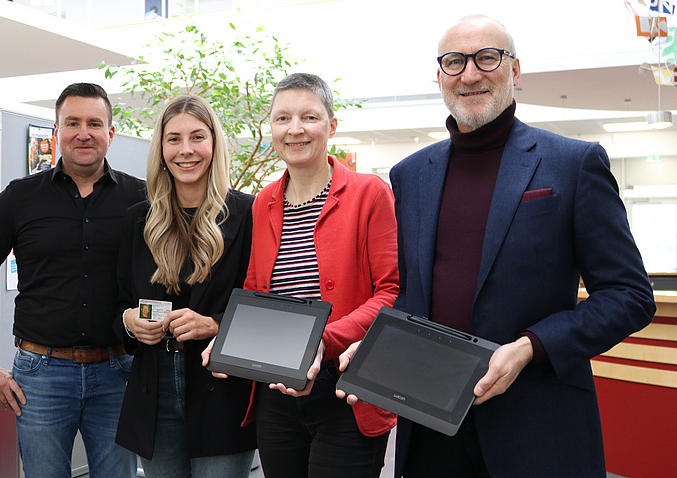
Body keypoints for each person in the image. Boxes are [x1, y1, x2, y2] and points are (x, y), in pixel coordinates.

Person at [337, 15, 656, 478]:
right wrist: (375, 344)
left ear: (515, 69)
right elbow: (414, 294)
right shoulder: (411, 174)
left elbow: (630, 296)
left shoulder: (573, 163)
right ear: (440, 75)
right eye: (455, 62)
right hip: (431, 429)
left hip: (538, 424)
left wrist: (530, 346)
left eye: (487, 57)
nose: (470, 74)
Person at [204, 73, 400, 478]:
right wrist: (230, 338)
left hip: (347, 386)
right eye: (282, 118)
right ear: (271, 129)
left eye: (308, 117)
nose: (294, 129)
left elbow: (391, 291)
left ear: (331, 125)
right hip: (276, 392)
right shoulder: (265, 202)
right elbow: (258, 292)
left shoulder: (370, 193)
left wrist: (321, 343)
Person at [0, 83, 145, 478]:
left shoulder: (141, 199)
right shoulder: (20, 198)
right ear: (57, 131)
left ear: (111, 132)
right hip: (41, 377)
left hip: (118, 373)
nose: (83, 133)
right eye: (72, 123)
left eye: (94, 123)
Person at [114, 95, 257, 477]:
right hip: (153, 393)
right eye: (173, 139)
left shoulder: (249, 214)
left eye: (197, 137)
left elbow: (265, 307)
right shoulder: (137, 220)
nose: (186, 150)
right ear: (161, 149)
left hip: (221, 392)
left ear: (215, 144)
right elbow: (115, 303)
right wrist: (129, 320)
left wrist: (215, 324)